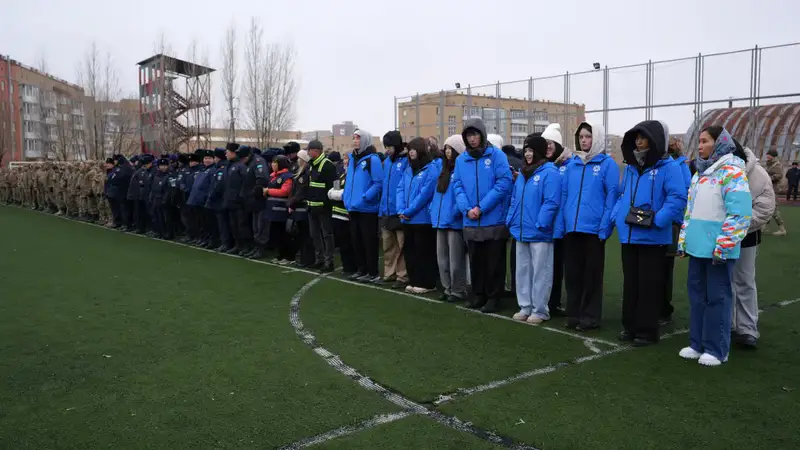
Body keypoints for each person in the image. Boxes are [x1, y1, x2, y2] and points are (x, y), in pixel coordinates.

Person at [677, 125, 752, 367]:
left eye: (705, 141)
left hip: (718, 251)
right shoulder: (699, 175)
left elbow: (740, 214)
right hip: (697, 248)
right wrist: (684, 240)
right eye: (699, 141)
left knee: (718, 298)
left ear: (719, 143)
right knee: (697, 297)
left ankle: (717, 349)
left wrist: (724, 245)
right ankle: (697, 344)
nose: (699, 146)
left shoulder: (733, 173)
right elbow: (689, 212)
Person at [612, 120, 687, 346]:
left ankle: (646, 331)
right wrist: (617, 217)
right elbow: (622, 195)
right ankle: (630, 326)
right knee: (631, 284)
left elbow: (677, 198)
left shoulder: (669, 167)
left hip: (653, 238)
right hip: (629, 235)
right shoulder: (631, 168)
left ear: (655, 140)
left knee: (649, 286)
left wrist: (658, 220)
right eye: (636, 137)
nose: (638, 142)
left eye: (643, 137)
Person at [557, 121, 619, 331]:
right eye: (581, 137)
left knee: (591, 276)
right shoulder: (572, 164)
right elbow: (564, 195)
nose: (584, 140)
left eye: (588, 136)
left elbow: (612, 196)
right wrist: (563, 223)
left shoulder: (607, 165)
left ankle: (590, 317)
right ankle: (574, 314)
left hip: (593, 230)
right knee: (573, 275)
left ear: (597, 138)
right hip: (572, 229)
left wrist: (604, 227)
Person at [452, 118, 513, 313]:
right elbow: (457, 185)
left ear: (482, 135)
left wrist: (481, 208)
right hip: (471, 220)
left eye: (475, 134)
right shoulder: (461, 160)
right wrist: (466, 208)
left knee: (494, 262)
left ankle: (494, 297)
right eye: (468, 135)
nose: (472, 139)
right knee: (476, 261)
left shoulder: (497, 156)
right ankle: (479, 294)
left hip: (493, 219)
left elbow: (504, 183)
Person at [506, 136, 562, 323]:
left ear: (539, 152)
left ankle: (540, 310)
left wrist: (541, 223)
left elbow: (551, 201)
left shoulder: (550, 172)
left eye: (531, 151)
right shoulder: (523, 173)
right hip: (521, 230)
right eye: (526, 151)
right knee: (522, 271)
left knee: (541, 272)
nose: (528, 154)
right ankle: (525, 307)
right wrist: (511, 219)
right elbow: (515, 199)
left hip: (539, 232)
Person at [731, 139, 775, 349]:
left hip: (746, 237)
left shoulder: (757, 174)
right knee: (723, 281)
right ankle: (727, 323)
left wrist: (736, 226)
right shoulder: (713, 172)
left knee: (744, 281)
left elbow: (765, 208)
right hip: (717, 237)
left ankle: (747, 329)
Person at [397, 137, 439, 294]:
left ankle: (426, 283)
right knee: (410, 252)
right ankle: (414, 280)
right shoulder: (408, 169)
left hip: (422, 219)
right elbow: (400, 188)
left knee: (423, 252)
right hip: (407, 219)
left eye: (414, 149)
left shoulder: (431, 168)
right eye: (409, 149)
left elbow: (425, 194)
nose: (411, 152)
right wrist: (401, 209)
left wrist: (408, 211)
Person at [431, 135, 469, 302]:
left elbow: (463, 195)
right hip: (440, 221)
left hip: (454, 222)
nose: (447, 152)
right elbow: (437, 195)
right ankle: (447, 288)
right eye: (445, 148)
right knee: (442, 259)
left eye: (451, 149)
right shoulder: (443, 171)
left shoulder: (462, 170)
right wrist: (433, 211)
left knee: (455, 260)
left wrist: (454, 212)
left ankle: (458, 289)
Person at [343, 130, 384, 284]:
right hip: (353, 207)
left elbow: (378, 183)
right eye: (354, 138)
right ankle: (361, 269)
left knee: (369, 241)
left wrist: (365, 197)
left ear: (365, 140)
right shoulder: (353, 159)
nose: (355, 140)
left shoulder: (372, 160)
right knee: (356, 240)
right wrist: (347, 199)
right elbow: (349, 182)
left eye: (358, 138)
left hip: (367, 209)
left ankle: (372, 272)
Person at [662, 137, 693, 325]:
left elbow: (683, 194)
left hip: (671, 223)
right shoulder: (682, 166)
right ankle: (661, 308)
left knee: (664, 268)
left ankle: (664, 309)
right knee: (662, 268)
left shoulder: (679, 167)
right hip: (670, 221)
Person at [542, 123, 571, 317]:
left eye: (551, 143)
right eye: (545, 144)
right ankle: (547, 301)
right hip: (547, 225)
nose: (548, 147)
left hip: (563, 225)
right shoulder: (543, 166)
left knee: (560, 265)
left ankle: (556, 301)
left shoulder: (569, 165)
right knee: (546, 266)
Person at [380, 131, 410, 288]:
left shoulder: (406, 161)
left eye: (390, 146)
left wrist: (403, 208)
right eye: (386, 147)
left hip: (399, 210)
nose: (387, 150)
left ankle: (402, 275)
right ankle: (389, 273)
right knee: (388, 245)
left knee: (402, 245)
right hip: (386, 210)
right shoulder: (387, 162)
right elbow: (384, 186)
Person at [305, 140, 337, 271]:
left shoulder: (328, 166)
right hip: (312, 207)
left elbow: (334, 188)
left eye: (309, 150)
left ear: (316, 151)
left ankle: (329, 262)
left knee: (327, 235)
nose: (308, 153)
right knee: (314, 235)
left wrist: (327, 205)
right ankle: (320, 259)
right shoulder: (312, 165)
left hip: (324, 208)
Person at [328, 152, 358, 275]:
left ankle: (351, 267)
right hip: (336, 213)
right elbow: (332, 191)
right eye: (344, 159)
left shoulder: (353, 175)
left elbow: (345, 194)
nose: (345, 161)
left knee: (348, 243)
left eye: (347, 159)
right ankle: (346, 267)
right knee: (342, 243)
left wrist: (337, 194)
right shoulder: (341, 175)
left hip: (347, 215)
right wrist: (336, 194)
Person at [265, 155, 295, 264]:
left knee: (284, 233)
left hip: (281, 209)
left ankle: (288, 256)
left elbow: (285, 191)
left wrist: (268, 191)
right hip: (272, 209)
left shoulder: (287, 176)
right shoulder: (272, 176)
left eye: (275, 163)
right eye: (272, 162)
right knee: (276, 233)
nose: (273, 165)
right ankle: (280, 255)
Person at [240, 146, 268, 259]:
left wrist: (254, 193)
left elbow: (262, 179)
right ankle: (256, 248)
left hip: (259, 199)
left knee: (260, 226)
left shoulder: (258, 161)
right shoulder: (250, 163)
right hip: (252, 200)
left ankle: (261, 249)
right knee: (255, 226)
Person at [288, 150, 315, 267]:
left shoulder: (305, 174)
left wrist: (292, 203)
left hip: (302, 207)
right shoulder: (301, 172)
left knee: (305, 234)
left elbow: (301, 191)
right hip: (299, 207)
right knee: (302, 235)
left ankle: (307, 259)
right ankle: (303, 258)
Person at [206, 148, 235, 252]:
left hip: (220, 201)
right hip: (220, 200)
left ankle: (226, 243)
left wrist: (211, 196)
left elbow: (218, 186)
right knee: (221, 223)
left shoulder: (222, 168)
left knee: (223, 224)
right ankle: (224, 242)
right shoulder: (221, 167)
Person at [187, 150, 217, 248]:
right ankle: (202, 238)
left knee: (208, 222)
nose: (207, 160)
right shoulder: (202, 170)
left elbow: (211, 186)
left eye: (209, 158)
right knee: (200, 222)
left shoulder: (213, 170)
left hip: (205, 201)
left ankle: (210, 240)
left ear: (213, 159)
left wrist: (207, 198)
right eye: (205, 158)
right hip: (197, 200)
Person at [149, 158, 173, 240]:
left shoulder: (169, 175)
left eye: (165, 165)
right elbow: (152, 188)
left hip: (164, 200)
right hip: (156, 199)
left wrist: (164, 200)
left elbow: (169, 190)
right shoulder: (156, 175)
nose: (163, 167)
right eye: (161, 166)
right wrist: (151, 197)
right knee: (158, 217)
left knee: (166, 218)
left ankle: (168, 233)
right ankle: (160, 232)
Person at [764, 149, 786, 236]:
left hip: (773, 189)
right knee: (766, 207)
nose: (767, 156)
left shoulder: (777, 164)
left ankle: (782, 229)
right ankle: (763, 226)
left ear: (772, 155)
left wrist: (768, 178)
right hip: (767, 188)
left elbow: (779, 175)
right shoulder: (769, 164)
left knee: (773, 208)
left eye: (768, 154)